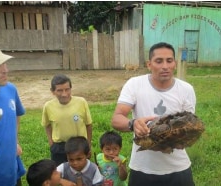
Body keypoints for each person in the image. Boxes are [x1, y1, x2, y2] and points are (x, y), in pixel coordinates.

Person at [111, 42, 196, 186]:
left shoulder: (186, 89)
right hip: (143, 168)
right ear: (149, 64)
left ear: (174, 63)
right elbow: (117, 118)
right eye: (159, 61)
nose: (165, 66)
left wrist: (183, 138)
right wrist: (133, 124)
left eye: (169, 61)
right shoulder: (135, 84)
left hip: (178, 167)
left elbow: (189, 124)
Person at [42, 74, 93, 165]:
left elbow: (88, 124)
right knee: (60, 174)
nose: (64, 94)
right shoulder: (48, 106)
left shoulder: (81, 102)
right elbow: (47, 125)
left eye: (67, 89)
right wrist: (51, 142)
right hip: (59, 148)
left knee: (81, 173)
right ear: (52, 91)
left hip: (79, 145)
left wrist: (88, 144)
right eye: (59, 90)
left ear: (71, 88)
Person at [0, 44, 26, 185]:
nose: (5, 70)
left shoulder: (10, 89)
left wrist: (15, 141)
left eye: (4, 64)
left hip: (12, 172)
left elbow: (16, 115)